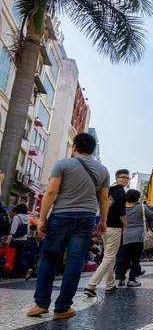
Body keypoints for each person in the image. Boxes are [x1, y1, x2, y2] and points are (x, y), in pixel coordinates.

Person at [28, 133, 110, 319]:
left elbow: (51, 191)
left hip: (60, 215)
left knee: (49, 257)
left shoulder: (62, 164)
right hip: (87, 218)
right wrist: (103, 220)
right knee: (75, 262)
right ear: (92, 150)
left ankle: (40, 304)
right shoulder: (103, 171)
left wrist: (42, 218)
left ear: (74, 147)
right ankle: (63, 307)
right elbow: (103, 198)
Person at [85, 169, 129, 295]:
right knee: (110, 256)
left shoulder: (109, 190)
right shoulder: (120, 192)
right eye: (122, 177)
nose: (125, 179)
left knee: (109, 256)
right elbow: (121, 211)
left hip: (105, 226)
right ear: (117, 178)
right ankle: (91, 285)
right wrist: (124, 224)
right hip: (114, 227)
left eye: (127, 177)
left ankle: (110, 284)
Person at [112, 189, 153, 289]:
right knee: (135, 259)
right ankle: (131, 279)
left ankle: (121, 279)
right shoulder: (141, 207)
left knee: (125, 258)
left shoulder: (123, 208)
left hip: (126, 235)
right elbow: (152, 215)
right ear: (137, 197)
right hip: (139, 236)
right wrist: (149, 206)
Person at [3, 203, 29, 277]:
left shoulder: (17, 217)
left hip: (15, 240)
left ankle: (26, 269)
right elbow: (27, 230)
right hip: (23, 240)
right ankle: (16, 273)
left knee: (13, 257)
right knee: (18, 256)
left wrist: (8, 241)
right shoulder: (27, 218)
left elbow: (13, 230)